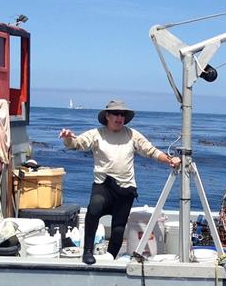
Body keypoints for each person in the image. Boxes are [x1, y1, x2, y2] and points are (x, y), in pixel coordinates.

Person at [59, 100, 181, 264]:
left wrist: (169, 160)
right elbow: (77, 143)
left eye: (122, 114)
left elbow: (150, 151)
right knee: (94, 209)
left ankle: (110, 258)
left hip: (126, 189)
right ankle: (87, 251)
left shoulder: (132, 135)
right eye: (116, 113)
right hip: (103, 185)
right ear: (107, 116)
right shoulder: (97, 134)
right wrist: (67, 138)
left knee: (118, 228)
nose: (119, 117)